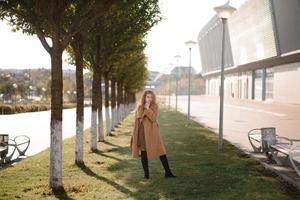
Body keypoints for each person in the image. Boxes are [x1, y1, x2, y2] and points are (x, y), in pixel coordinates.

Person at [130, 90, 176, 179]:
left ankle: (168, 172)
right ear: (144, 97)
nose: (149, 99)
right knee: (143, 152)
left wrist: (148, 109)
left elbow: (153, 118)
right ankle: (146, 175)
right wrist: (143, 108)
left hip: (153, 131)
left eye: (151, 97)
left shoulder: (155, 106)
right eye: (147, 97)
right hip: (142, 132)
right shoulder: (140, 106)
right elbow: (139, 117)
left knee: (161, 151)